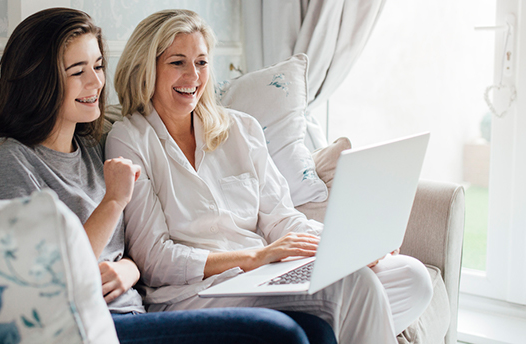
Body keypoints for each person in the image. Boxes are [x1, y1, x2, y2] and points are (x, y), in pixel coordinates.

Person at [0, 7, 333, 344]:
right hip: (84, 327)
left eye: (98, 66)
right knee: (278, 333)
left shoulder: (93, 147)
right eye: (78, 71)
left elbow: (135, 254)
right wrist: (113, 201)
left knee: (316, 327)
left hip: (131, 311)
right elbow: (39, 281)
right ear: (39, 80)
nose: (95, 83)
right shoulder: (8, 162)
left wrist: (128, 269)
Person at [106, 9, 434, 344]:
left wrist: (345, 245)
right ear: (147, 67)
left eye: (201, 62)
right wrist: (254, 257)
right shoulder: (129, 139)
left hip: (262, 277)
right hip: (195, 294)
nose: (193, 75)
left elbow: (280, 218)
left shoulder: (240, 128)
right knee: (356, 285)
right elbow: (155, 258)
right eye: (178, 62)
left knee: (412, 277)